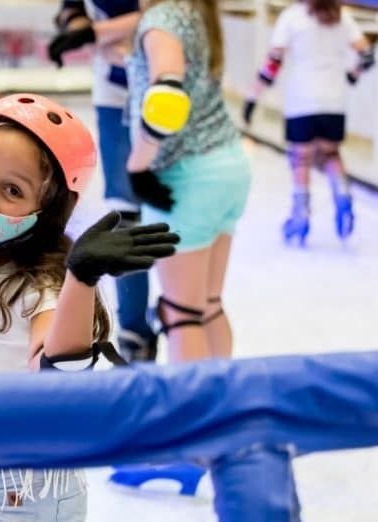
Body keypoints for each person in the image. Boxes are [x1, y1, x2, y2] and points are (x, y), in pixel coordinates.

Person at [0, 93, 179, 520]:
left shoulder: (42, 284)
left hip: (19, 487)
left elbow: (57, 373)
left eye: (12, 190)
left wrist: (80, 278)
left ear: (48, 210)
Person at [106, 0, 252, 495]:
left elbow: (166, 95)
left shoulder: (160, 20)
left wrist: (138, 165)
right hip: (227, 164)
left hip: (186, 175)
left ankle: (188, 445)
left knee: (181, 311)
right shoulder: (190, 10)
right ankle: (220, 418)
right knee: (207, 304)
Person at [48, 0, 159, 362]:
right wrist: (75, 22)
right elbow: (73, 7)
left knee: (173, 212)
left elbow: (166, 16)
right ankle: (134, 330)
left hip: (163, 92)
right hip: (115, 93)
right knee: (125, 213)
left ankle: (184, 313)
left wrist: (93, 32)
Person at [244, 0, 373, 245]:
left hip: (301, 100)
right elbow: (367, 55)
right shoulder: (341, 16)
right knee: (331, 155)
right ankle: (343, 195)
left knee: (300, 159)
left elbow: (272, 64)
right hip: (334, 100)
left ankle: (300, 215)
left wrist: (253, 97)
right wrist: (351, 75)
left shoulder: (292, 17)